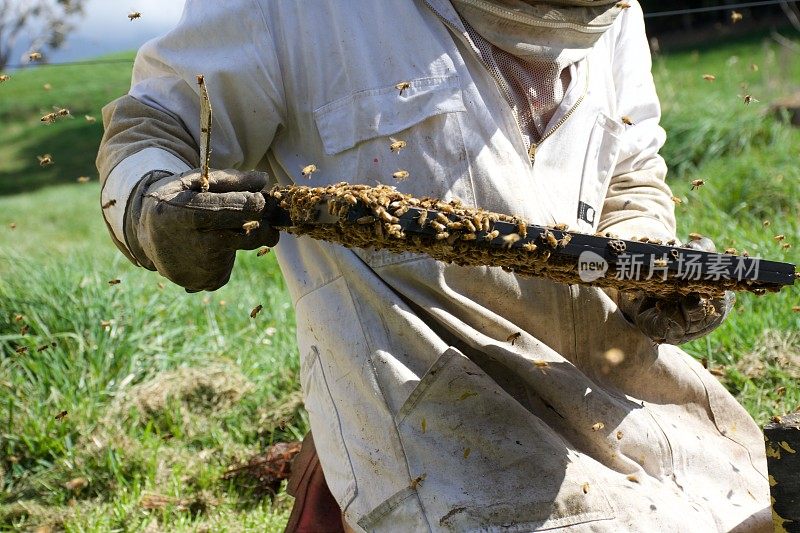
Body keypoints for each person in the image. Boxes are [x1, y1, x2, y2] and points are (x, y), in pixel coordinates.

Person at [96, 1, 771, 531]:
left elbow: (631, 170)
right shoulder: (296, 9)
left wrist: (646, 255)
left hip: (619, 392)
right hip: (434, 423)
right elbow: (154, 129)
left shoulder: (614, 17)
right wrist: (153, 206)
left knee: (754, 496)